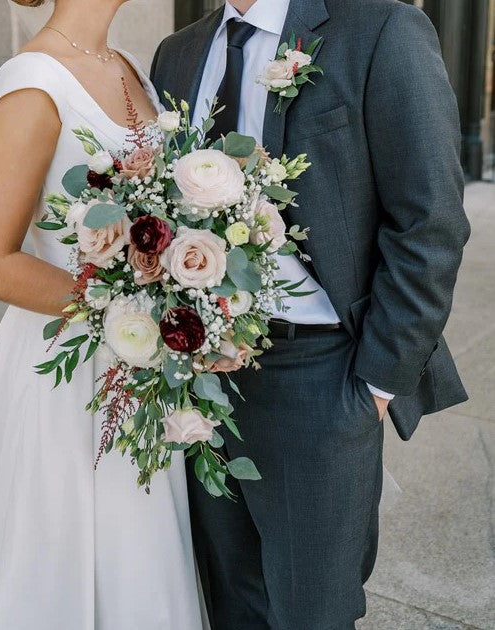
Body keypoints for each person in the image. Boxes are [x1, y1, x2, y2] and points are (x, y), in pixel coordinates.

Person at [151, 0, 470, 628]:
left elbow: (429, 221)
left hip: (322, 379)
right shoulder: (177, 52)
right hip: (200, 385)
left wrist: (375, 384)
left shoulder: (381, 30)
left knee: (314, 613)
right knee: (232, 603)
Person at [0, 1, 204, 628]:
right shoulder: (31, 85)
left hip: (143, 367)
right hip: (75, 379)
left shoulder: (127, 66)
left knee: (141, 562)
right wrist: (126, 308)